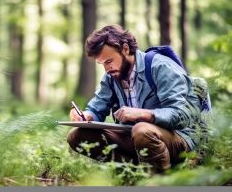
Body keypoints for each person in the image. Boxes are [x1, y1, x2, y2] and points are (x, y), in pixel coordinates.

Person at [67, 24, 201, 173]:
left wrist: (143, 114)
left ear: (125, 49)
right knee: (76, 135)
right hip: (137, 138)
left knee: (142, 130)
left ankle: (161, 180)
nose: (106, 69)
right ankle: (133, 174)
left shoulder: (161, 67)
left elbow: (181, 114)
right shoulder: (112, 76)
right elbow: (97, 107)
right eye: (102, 64)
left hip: (177, 139)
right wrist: (86, 116)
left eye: (109, 61)